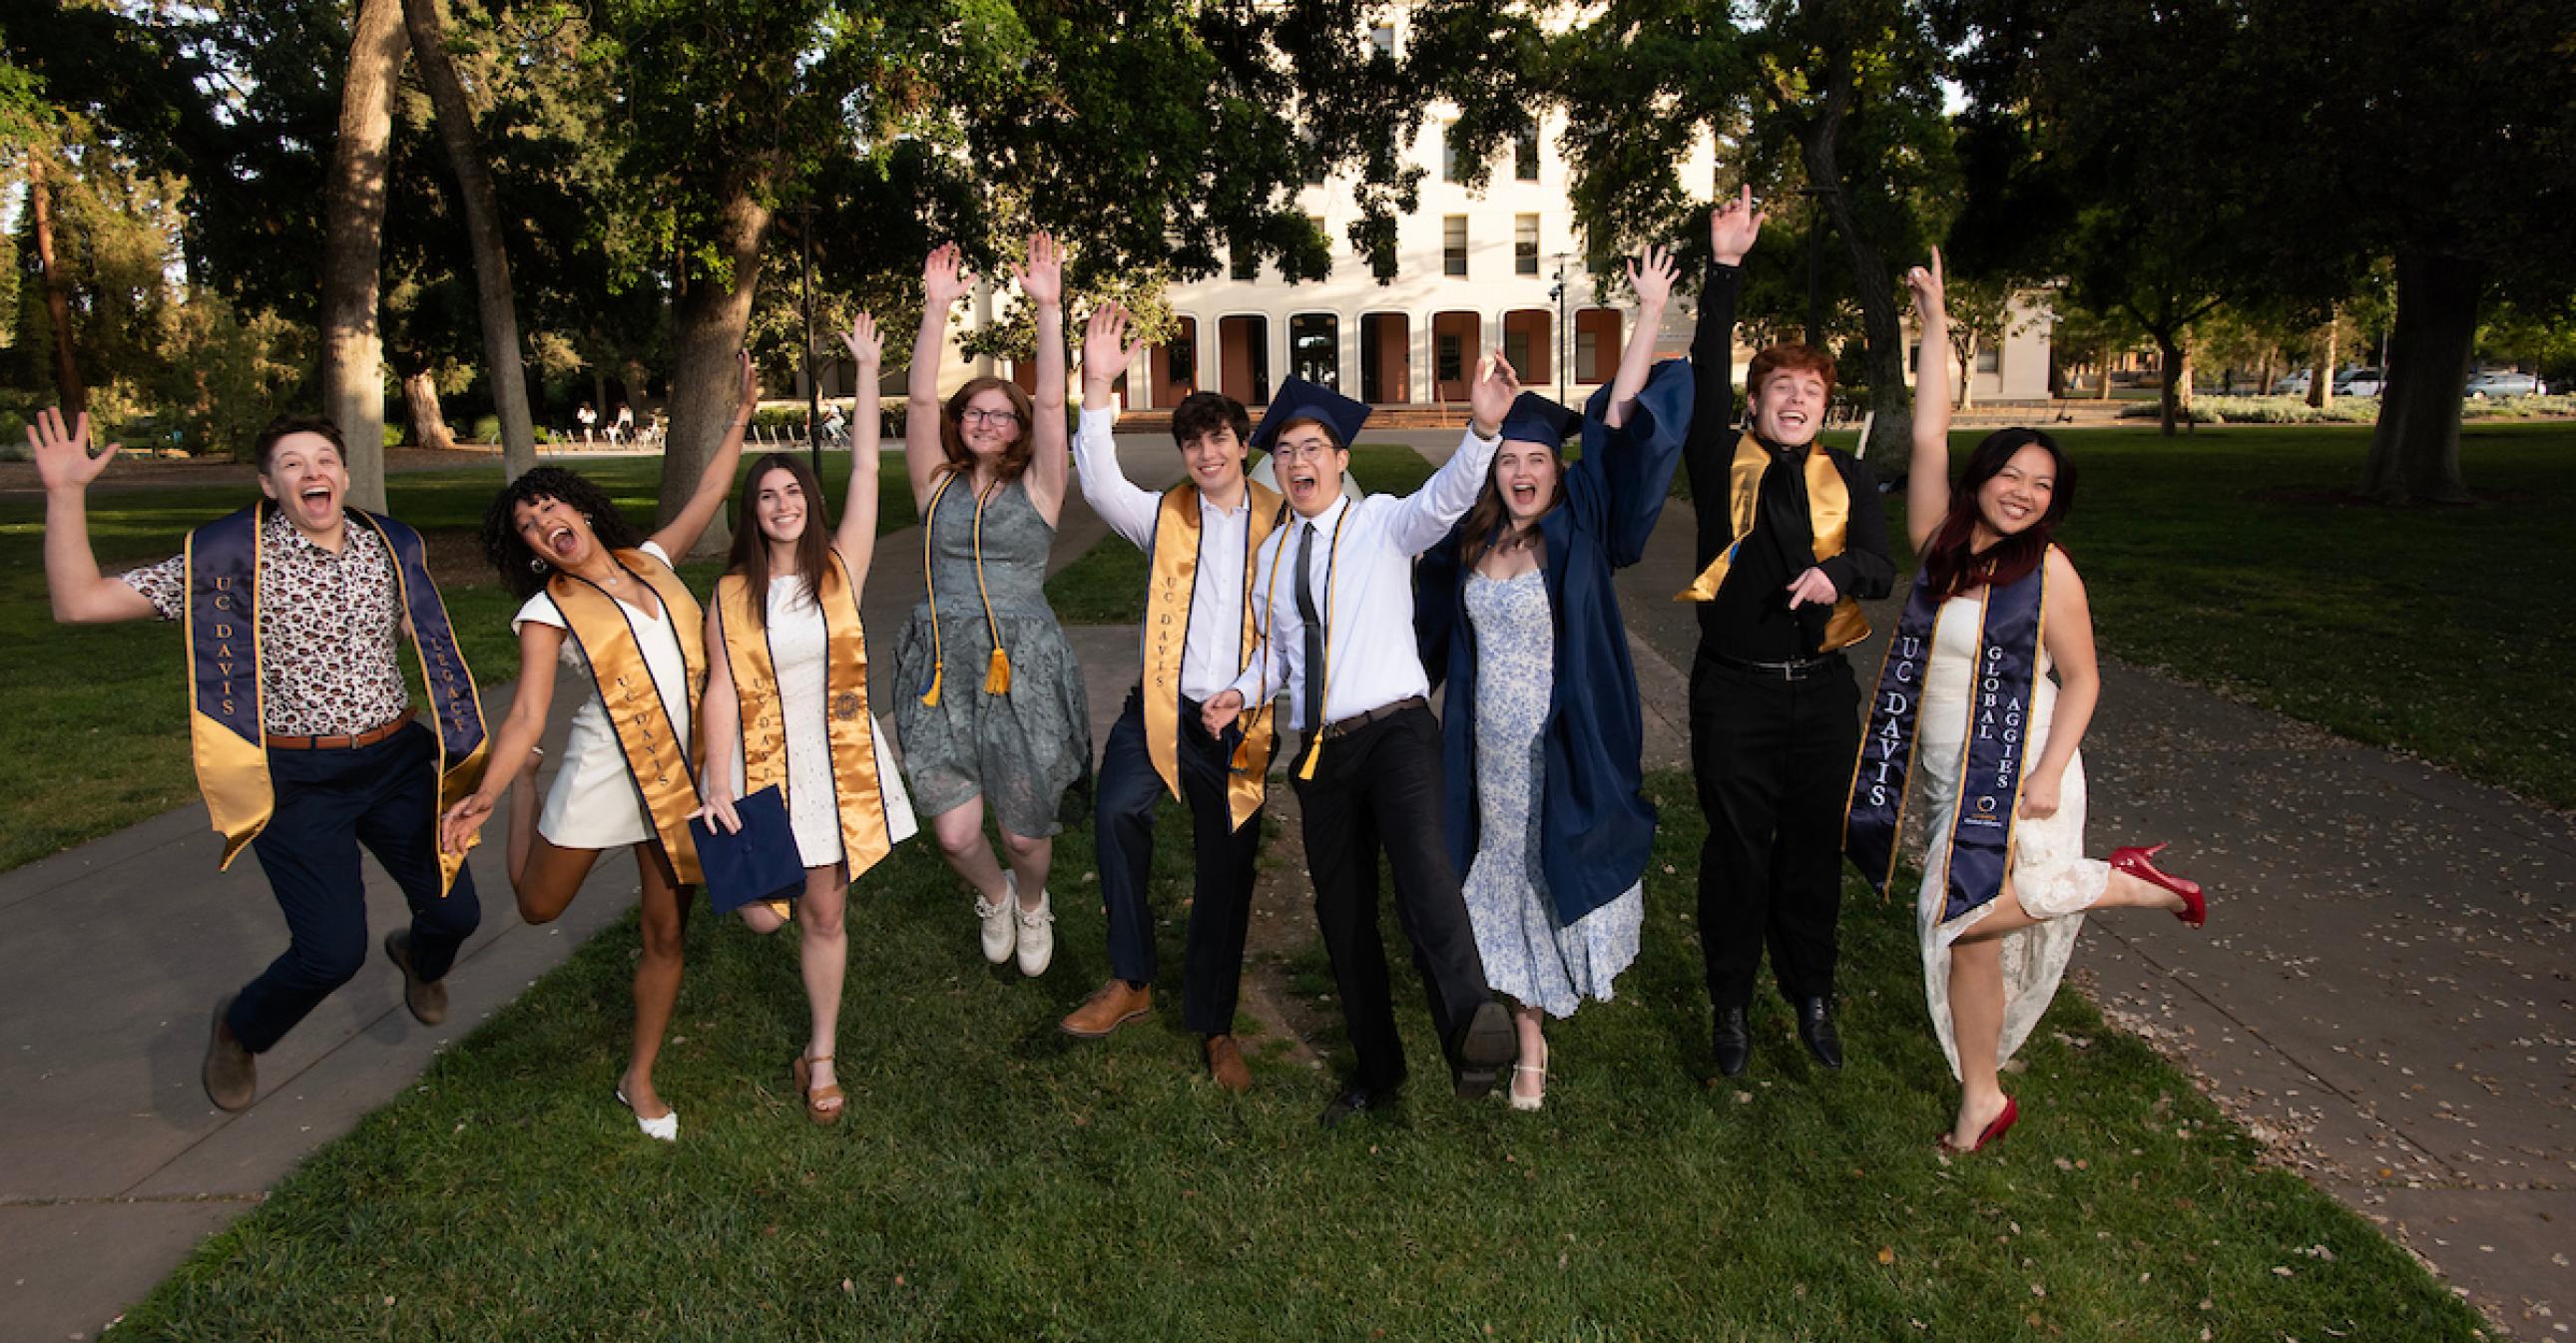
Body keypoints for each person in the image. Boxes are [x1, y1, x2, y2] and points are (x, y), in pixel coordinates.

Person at [1846, 252, 2209, 1152]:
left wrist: (2048, 773)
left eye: (2043, 486)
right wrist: (1931, 318)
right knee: (1971, 942)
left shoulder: (2047, 572)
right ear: (1985, 476)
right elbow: (1926, 433)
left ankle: (2123, 886)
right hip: (1941, 772)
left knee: (1954, 914)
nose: (2024, 493)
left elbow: (2082, 678)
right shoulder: (1940, 539)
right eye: (2014, 475)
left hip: (2020, 771)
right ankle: (1980, 1097)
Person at [33, 409, 489, 1113]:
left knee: (457, 914)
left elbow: (413, 626)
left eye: (324, 459)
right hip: (298, 781)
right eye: (292, 463)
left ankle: (419, 959)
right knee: (332, 954)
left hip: (396, 762)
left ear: (343, 473)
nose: (313, 472)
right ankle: (240, 1029)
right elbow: (79, 604)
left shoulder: (391, 546)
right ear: (268, 484)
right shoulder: (227, 560)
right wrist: (65, 493)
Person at [437, 353, 755, 1140]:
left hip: (683, 772)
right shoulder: (548, 611)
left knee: (667, 930)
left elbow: (711, 492)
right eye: (529, 528)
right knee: (539, 907)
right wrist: (488, 785)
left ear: (579, 508)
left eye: (550, 507)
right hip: (605, 768)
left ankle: (638, 1077)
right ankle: (525, 796)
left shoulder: (652, 561)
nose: (545, 524)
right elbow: (526, 715)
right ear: (536, 552)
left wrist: (742, 417)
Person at [1202, 364, 1520, 1128]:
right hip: (1320, 757)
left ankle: (1472, 1031)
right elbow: (1280, 654)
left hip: (1397, 735)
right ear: (1273, 468)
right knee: (1343, 919)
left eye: (1311, 447)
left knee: (1424, 879)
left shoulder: (1380, 522)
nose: (1296, 462)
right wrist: (1242, 692)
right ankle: (1378, 1072)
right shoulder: (1271, 558)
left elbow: (1442, 502)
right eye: (1283, 452)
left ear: (1341, 458)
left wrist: (1480, 433)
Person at [1414, 248, 1691, 1111]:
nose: (1524, 472)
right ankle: (1525, 1033)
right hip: (1484, 752)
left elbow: (1613, 429)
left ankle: (1532, 1036)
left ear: (1556, 470)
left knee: (1547, 866)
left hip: (1565, 743)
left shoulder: (1580, 533)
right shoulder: (1470, 542)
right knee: (1495, 872)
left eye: (1537, 459)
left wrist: (1647, 314)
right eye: (1510, 461)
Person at [1678, 187, 1896, 1078]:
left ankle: (1810, 993)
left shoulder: (1845, 474)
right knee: (1737, 852)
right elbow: (1700, 373)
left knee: (1811, 851)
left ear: (1823, 404)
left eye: (1810, 390)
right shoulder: (1719, 460)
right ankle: (1729, 1005)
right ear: (1756, 401)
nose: (1796, 400)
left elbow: (1881, 566)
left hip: (1822, 699)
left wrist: (1836, 571)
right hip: (1734, 691)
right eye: (1780, 389)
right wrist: (1722, 267)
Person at [1057, 303, 1284, 1091]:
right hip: (1159, 709)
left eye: (1218, 436)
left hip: (1239, 723)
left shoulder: (1282, 525)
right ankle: (1132, 979)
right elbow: (1097, 482)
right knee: (1116, 810)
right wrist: (1095, 386)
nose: (1204, 451)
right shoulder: (1164, 518)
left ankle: (1217, 1025)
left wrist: (1248, 692)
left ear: (1242, 443)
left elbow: (1296, 638)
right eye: (1191, 441)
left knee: (1227, 867)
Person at [693, 314, 912, 1125]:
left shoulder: (838, 567)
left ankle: (820, 1054)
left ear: (805, 503)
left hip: (836, 763)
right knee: (757, 916)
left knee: (824, 912)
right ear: (751, 513)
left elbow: (863, 467)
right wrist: (719, 783)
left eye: (791, 492)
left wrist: (865, 369)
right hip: (760, 770)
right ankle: (800, 1000)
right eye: (766, 495)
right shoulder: (727, 595)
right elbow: (719, 690)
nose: (781, 504)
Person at [892, 236, 1091, 977]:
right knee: (953, 834)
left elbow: (1049, 402)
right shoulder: (932, 486)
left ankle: (1032, 898)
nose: (985, 422)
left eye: (999, 414)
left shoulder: (1040, 488)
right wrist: (935, 308)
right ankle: (994, 897)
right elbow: (915, 400)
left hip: (1022, 666)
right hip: (942, 663)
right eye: (973, 412)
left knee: (1024, 833)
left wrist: (1047, 307)